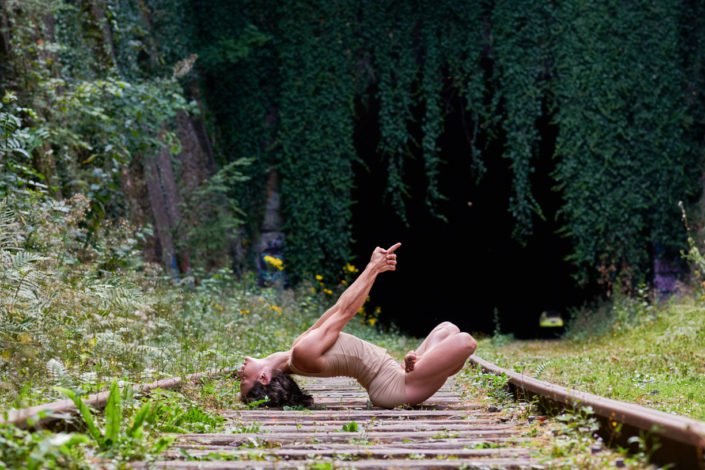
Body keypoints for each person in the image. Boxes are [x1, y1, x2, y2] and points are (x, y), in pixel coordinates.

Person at [238, 242, 477, 409]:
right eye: (243, 381)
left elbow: (338, 307)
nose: (239, 374)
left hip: (396, 376)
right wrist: (374, 267)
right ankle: (420, 366)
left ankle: (417, 365)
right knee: (465, 341)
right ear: (264, 378)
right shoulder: (302, 355)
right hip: (396, 388)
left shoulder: (296, 350)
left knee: (447, 329)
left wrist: (374, 269)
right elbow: (346, 311)